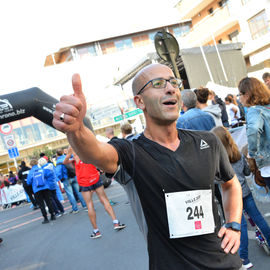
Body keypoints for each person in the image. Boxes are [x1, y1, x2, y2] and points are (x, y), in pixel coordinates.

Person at [53, 63, 243, 270]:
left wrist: (234, 224)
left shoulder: (208, 142)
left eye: (173, 83)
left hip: (226, 262)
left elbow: (230, 183)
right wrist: (76, 130)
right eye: (158, 83)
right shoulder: (130, 152)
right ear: (139, 101)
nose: (170, 88)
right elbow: (94, 152)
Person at [212, 126, 270, 269]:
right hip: (245, 192)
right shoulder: (238, 155)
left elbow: (215, 181)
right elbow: (246, 171)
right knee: (258, 218)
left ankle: (244, 259)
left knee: (240, 227)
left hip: (232, 198)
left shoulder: (217, 162)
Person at [63, 147, 126, 238]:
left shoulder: (75, 154)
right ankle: (116, 222)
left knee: (89, 205)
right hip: (94, 178)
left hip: (84, 182)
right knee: (104, 199)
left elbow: (65, 162)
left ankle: (96, 231)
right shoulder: (88, 150)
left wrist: (69, 154)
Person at [238, 77, 270, 190]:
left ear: (246, 95)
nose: (239, 99)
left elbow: (254, 130)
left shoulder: (254, 110)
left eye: (239, 95)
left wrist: (252, 152)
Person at [55, 149, 86, 213]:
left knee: (70, 194)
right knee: (79, 191)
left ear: (57, 154)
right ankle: (85, 205)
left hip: (66, 178)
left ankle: (75, 209)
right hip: (74, 175)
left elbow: (58, 172)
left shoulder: (58, 161)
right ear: (63, 152)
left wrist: (61, 179)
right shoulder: (68, 157)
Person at [27, 159, 55, 224]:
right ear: (37, 163)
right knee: (48, 202)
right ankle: (52, 215)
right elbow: (47, 176)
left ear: (31, 165)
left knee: (41, 204)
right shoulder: (42, 169)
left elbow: (28, 182)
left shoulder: (31, 172)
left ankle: (45, 218)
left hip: (37, 189)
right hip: (45, 187)